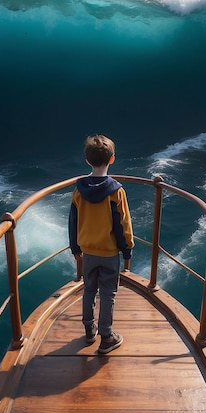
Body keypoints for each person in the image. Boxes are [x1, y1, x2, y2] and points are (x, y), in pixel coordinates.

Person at [69, 135, 134, 354]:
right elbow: (123, 224)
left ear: (87, 161)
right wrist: (127, 249)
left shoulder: (79, 189)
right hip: (108, 252)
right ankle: (106, 337)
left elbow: (73, 220)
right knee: (108, 293)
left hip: (87, 250)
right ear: (112, 159)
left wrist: (75, 247)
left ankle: (89, 331)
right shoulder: (116, 191)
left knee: (89, 289)